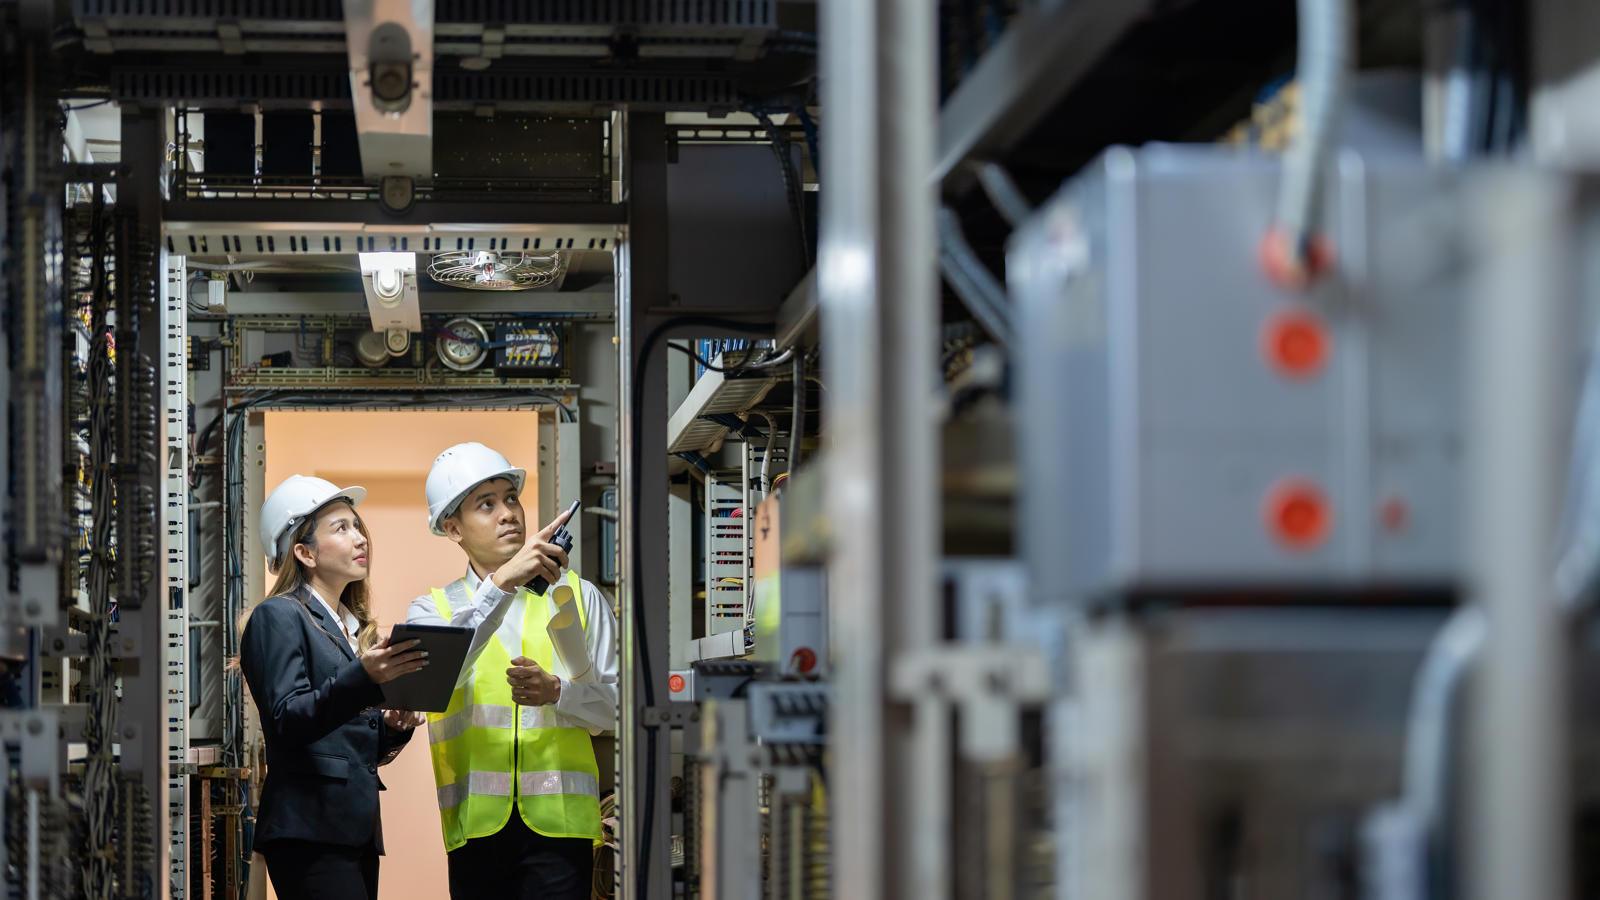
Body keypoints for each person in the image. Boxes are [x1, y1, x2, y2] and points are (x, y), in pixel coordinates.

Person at [406, 442, 618, 900]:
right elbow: (434, 683)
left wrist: (558, 691)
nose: (508, 513)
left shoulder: (581, 598)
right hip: (476, 832)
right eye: (487, 503)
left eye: (511, 498)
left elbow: (616, 713)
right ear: (453, 528)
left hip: (564, 831)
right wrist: (502, 584)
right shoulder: (432, 611)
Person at [240, 475, 430, 900]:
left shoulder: (347, 628)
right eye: (341, 528)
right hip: (309, 829)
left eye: (357, 526)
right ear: (304, 552)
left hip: (351, 830)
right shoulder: (278, 615)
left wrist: (395, 726)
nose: (360, 537)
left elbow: (345, 742)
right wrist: (365, 677)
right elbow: (289, 719)